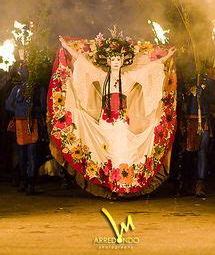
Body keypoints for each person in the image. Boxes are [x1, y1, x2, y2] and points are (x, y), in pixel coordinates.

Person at [47, 30, 177, 198]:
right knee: (106, 153)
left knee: (123, 150)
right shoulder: (101, 76)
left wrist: (166, 58)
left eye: (118, 59)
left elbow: (149, 70)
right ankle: (112, 185)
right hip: (105, 121)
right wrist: (66, 46)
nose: (116, 62)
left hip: (122, 122)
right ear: (108, 61)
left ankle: (124, 183)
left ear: (122, 61)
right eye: (113, 59)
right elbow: (82, 62)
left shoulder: (128, 77)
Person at [5, 66, 46, 195]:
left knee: (29, 154)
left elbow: (43, 106)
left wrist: (30, 111)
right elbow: (8, 105)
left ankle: (29, 183)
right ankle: (26, 182)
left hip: (30, 122)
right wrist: (21, 112)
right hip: (22, 123)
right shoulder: (17, 89)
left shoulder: (38, 88)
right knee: (25, 155)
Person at [181, 72, 215, 197]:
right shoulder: (187, 79)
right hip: (189, 120)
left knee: (202, 151)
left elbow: (214, 100)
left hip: (203, 120)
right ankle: (186, 184)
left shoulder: (209, 81)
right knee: (187, 153)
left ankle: (200, 185)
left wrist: (204, 94)